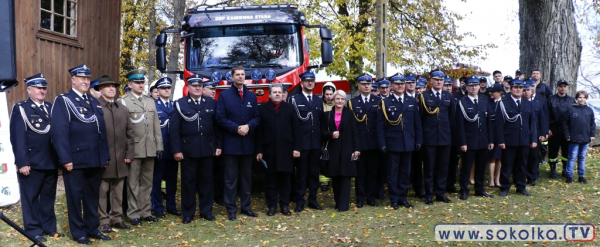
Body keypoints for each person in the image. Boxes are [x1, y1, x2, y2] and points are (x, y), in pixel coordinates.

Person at [51, 64, 111, 244]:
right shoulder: (64, 100)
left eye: (87, 78)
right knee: (75, 198)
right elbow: (59, 133)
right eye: (82, 78)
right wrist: (66, 159)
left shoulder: (93, 101)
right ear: (73, 80)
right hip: (76, 159)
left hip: (94, 158)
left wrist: (104, 156)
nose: (85, 81)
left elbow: (102, 131)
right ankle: (78, 233)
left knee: (92, 197)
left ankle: (92, 228)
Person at [10, 73, 64, 242]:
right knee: (31, 198)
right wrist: (22, 162)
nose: (42, 91)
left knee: (48, 197)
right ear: (29, 90)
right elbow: (18, 138)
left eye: (44, 88)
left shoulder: (51, 108)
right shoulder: (21, 108)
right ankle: (33, 230)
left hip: (50, 161)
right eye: (38, 88)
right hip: (31, 163)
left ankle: (48, 228)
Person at [172, 74, 222, 223]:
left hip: (207, 148)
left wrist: (219, 145)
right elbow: (174, 130)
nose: (198, 88)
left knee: (207, 182)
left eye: (200, 85)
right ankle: (188, 213)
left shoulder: (211, 103)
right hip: (188, 150)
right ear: (188, 87)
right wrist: (177, 150)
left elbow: (217, 127)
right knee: (188, 183)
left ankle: (206, 211)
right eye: (194, 85)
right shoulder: (180, 104)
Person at [118, 69, 163, 226]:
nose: (140, 85)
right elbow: (122, 129)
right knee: (133, 183)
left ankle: (146, 211)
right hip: (134, 149)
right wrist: (125, 150)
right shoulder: (123, 101)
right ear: (129, 84)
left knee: (147, 182)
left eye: (142, 82)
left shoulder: (150, 101)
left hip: (150, 148)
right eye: (137, 82)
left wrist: (159, 146)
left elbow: (156, 125)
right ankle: (133, 213)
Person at [216, 66, 261, 220]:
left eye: (243, 75)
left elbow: (257, 117)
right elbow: (220, 118)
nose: (241, 77)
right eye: (238, 75)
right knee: (230, 179)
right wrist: (236, 128)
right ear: (232, 77)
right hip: (231, 145)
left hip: (248, 145)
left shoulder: (251, 96)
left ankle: (246, 208)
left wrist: (249, 126)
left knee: (247, 178)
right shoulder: (224, 96)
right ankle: (231, 210)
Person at [94, 75, 134, 233]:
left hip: (121, 158)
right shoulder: (95, 106)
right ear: (100, 89)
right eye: (107, 86)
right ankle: (103, 220)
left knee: (118, 190)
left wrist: (129, 153)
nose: (112, 89)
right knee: (102, 192)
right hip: (104, 157)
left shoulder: (122, 108)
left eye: (114, 86)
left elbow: (129, 132)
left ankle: (116, 218)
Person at [256, 84, 301, 216]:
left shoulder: (290, 108)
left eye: (279, 92)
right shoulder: (263, 109)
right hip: (269, 150)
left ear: (283, 95)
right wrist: (259, 150)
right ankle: (271, 206)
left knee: (285, 180)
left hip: (286, 150)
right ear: (269, 94)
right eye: (274, 92)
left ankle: (285, 206)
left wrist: (297, 148)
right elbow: (258, 132)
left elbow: (296, 130)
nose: (277, 94)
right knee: (270, 180)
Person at [377, 76, 422, 209]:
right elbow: (380, 126)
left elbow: (417, 123)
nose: (400, 86)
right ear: (392, 85)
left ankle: (403, 197)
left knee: (405, 173)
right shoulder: (385, 102)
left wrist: (419, 140)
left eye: (402, 83)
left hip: (408, 142)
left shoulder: (412, 101)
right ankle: (394, 199)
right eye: (397, 84)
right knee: (392, 173)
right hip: (392, 143)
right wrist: (382, 143)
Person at [287, 71, 325, 212]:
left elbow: (320, 123)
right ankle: (300, 200)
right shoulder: (295, 100)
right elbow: (293, 125)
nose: (310, 83)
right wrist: (295, 146)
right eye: (307, 81)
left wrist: (321, 143)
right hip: (301, 144)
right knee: (301, 174)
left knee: (314, 173)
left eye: (312, 81)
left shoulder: (318, 100)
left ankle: (313, 199)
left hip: (315, 143)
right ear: (302, 83)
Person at [495, 79, 537, 197]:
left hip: (524, 139)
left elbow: (532, 123)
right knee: (507, 165)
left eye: (520, 88)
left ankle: (521, 186)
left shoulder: (528, 103)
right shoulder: (503, 103)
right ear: (511, 89)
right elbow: (498, 124)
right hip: (509, 140)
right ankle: (505, 187)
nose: (518, 89)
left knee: (522, 165)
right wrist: (501, 140)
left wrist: (533, 139)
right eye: (515, 87)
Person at [419, 69, 455, 205]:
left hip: (445, 137)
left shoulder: (449, 97)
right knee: (429, 168)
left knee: (442, 167)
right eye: (436, 79)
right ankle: (429, 194)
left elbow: (452, 119)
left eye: (441, 80)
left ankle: (440, 192)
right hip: (430, 138)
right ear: (431, 81)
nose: (439, 82)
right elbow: (421, 118)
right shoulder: (424, 96)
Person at [456, 76, 495, 200]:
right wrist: (462, 142)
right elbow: (460, 125)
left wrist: (491, 140)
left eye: (476, 85)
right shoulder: (462, 102)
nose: (473, 88)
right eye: (471, 85)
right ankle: (464, 190)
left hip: (483, 139)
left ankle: (479, 189)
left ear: (479, 86)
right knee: (466, 167)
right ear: (466, 87)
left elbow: (489, 122)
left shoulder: (484, 100)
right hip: (469, 140)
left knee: (481, 166)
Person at [321, 90, 360, 211]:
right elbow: (322, 132)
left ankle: (344, 205)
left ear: (345, 100)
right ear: (333, 100)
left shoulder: (350, 114)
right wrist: (330, 134)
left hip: (347, 148)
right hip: (333, 148)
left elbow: (355, 132)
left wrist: (357, 149)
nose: (340, 101)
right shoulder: (327, 114)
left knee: (345, 177)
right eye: (337, 99)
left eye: (342, 99)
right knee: (335, 177)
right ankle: (338, 202)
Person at [349, 73, 381, 208]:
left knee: (373, 172)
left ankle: (371, 197)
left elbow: (380, 125)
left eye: (368, 84)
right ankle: (360, 198)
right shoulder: (353, 102)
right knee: (360, 173)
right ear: (359, 86)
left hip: (374, 143)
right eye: (364, 84)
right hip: (360, 144)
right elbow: (352, 127)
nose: (367, 86)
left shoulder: (378, 101)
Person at [150, 77, 181, 218]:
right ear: (158, 90)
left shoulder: (175, 105)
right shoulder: (153, 106)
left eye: (168, 88)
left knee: (172, 181)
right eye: (163, 88)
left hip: (173, 149)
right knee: (156, 180)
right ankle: (157, 207)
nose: (167, 90)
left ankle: (171, 206)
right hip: (159, 150)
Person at [562, 91, 595, 184]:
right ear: (576, 98)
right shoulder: (571, 109)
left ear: (586, 99)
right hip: (574, 138)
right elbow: (565, 123)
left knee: (582, 157)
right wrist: (567, 135)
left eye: (584, 97)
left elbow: (592, 123)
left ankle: (581, 176)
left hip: (585, 138)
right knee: (572, 157)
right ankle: (569, 176)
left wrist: (592, 135)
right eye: (580, 97)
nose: (582, 99)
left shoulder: (589, 110)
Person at [547, 79, 576, 178]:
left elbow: (574, 116)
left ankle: (565, 169)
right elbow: (546, 115)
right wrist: (548, 128)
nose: (562, 88)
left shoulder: (572, 100)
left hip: (567, 129)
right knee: (552, 149)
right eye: (560, 86)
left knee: (566, 150)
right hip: (554, 128)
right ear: (557, 87)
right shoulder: (551, 99)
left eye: (564, 86)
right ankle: (553, 169)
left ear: (567, 87)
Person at [523, 78, 549, 186]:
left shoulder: (538, 103)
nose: (526, 92)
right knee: (523, 156)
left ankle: (532, 178)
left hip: (536, 133)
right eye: (524, 90)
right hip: (523, 133)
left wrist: (543, 133)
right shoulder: (520, 103)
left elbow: (543, 119)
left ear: (532, 90)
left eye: (529, 90)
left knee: (534, 156)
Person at [411, 77, 427, 199]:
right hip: (407, 136)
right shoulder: (405, 98)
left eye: (419, 87)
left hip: (422, 135)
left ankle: (420, 189)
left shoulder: (425, 98)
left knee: (420, 164)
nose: (417, 90)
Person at [320, 82, 336, 191]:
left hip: (335, 136)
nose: (329, 96)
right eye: (327, 94)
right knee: (323, 159)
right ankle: (323, 182)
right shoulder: (320, 104)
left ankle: (333, 179)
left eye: (331, 94)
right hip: (323, 136)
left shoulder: (337, 104)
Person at [487, 84, 504, 187]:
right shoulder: (488, 103)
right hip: (491, 132)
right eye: (490, 92)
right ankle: (491, 180)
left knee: (500, 158)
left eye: (494, 92)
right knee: (492, 157)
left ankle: (497, 180)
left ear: (500, 93)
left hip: (502, 133)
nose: (491, 93)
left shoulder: (504, 103)